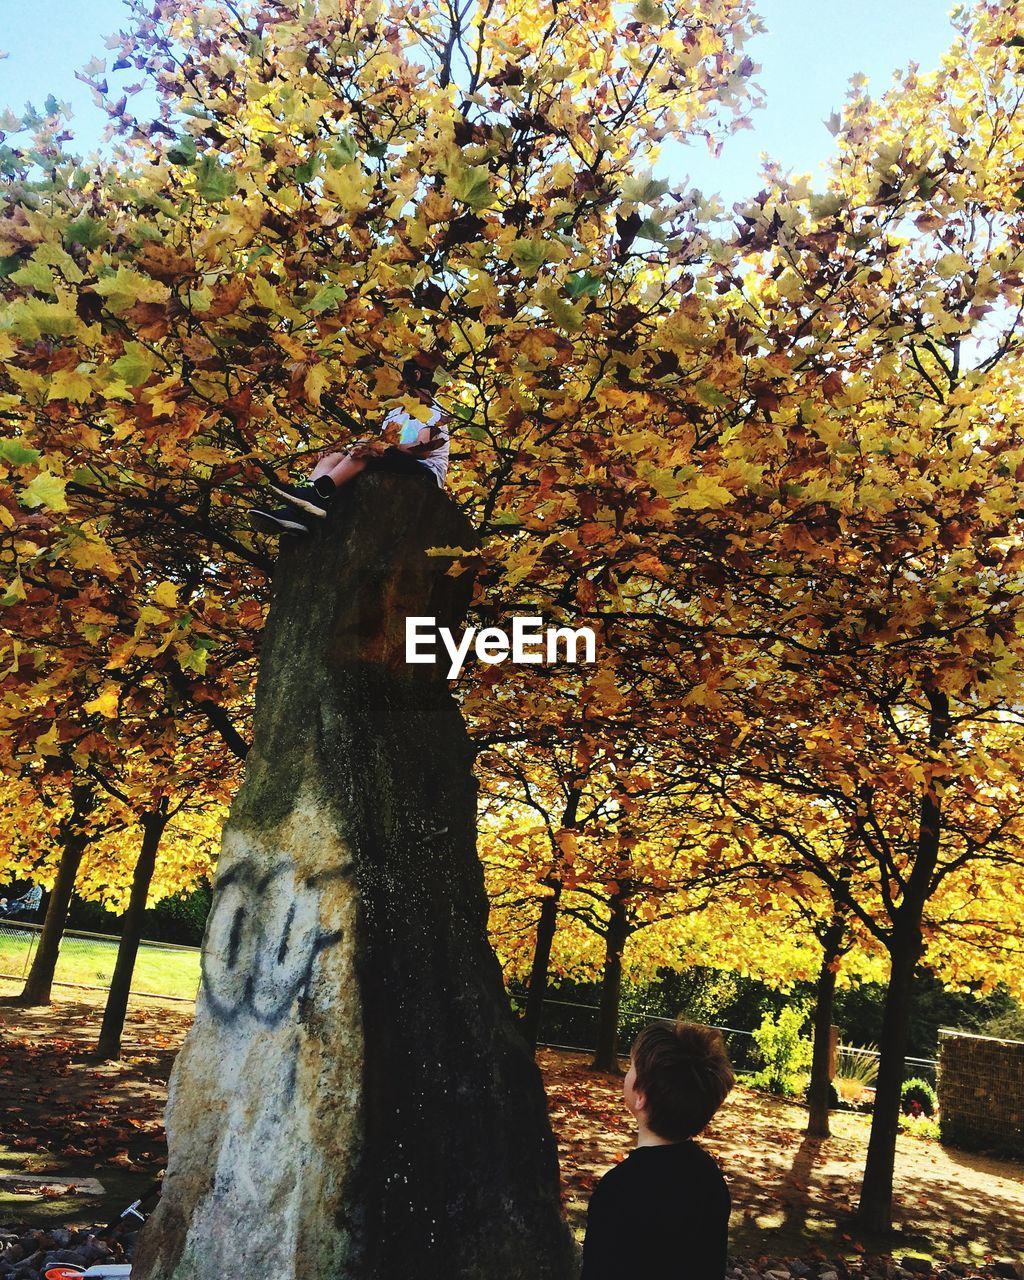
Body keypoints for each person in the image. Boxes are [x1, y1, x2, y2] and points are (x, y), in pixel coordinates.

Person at [580, 1021, 735, 1280]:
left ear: (641, 1096)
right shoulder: (709, 1177)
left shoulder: (619, 1190)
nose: (627, 1073)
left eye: (632, 1066)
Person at [249, 391, 450, 536]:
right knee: (334, 456)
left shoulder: (432, 409)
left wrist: (376, 447)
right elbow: (384, 446)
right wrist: (344, 451)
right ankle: (298, 511)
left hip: (426, 473)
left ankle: (318, 493)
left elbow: (422, 450)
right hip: (399, 462)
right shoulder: (395, 412)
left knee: (364, 448)